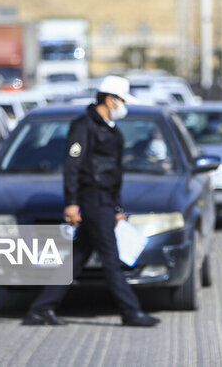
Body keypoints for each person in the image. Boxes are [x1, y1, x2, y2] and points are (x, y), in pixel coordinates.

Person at [23, 75, 160, 327]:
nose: (123, 106)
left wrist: (118, 207)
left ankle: (41, 308)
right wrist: (71, 202)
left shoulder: (111, 130)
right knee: (110, 259)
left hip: (107, 201)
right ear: (109, 99)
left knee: (77, 257)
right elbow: (72, 166)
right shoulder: (83, 126)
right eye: (121, 100)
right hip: (93, 200)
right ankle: (131, 311)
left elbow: (115, 173)